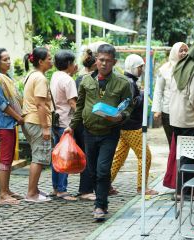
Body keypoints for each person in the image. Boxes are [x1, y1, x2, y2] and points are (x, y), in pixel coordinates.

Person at [65, 44, 133, 220]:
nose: (104, 64)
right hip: (88, 131)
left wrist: (121, 117)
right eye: (101, 60)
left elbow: (128, 106)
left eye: (108, 61)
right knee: (92, 170)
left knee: (103, 169)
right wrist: (71, 126)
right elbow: (79, 107)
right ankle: (100, 199)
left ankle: (100, 205)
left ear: (114, 62)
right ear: (96, 60)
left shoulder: (123, 83)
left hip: (109, 133)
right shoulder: (86, 81)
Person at [110, 54, 158, 196]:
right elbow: (130, 104)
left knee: (118, 158)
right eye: (140, 67)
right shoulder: (130, 82)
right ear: (132, 67)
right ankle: (142, 188)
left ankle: (105, 185)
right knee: (145, 157)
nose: (142, 69)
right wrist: (142, 94)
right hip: (133, 127)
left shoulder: (126, 80)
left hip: (124, 126)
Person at [166, 42, 194, 198]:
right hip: (189, 117)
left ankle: (182, 188)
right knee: (189, 155)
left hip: (175, 117)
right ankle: (184, 190)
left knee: (182, 153)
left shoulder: (180, 65)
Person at [0, 48, 24, 205]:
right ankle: (2, 195)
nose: (8, 62)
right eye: (5, 60)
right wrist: (19, 117)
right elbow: (2, 105)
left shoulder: (6, 78)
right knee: (6, 159)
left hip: (10, 123)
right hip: (4, 123)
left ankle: (6, 190)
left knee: (8, 159)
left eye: (9, 59)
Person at [22, 47, 53, 203]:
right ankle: (31, 194)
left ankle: (34, 189)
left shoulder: (31, 75)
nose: (51, 61)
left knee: (38, 156)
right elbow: (40, 104)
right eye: (49, 58)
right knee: (39, 158)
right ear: (40, 61)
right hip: (37, 121)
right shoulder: (40, 78)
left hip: (30, 120)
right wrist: (46, 127)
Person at [49, 50, 78, 201]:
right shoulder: (68, 80)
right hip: (66, 123)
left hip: (55, 121)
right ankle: (62, 190)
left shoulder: (55, 76)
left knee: (56, 155)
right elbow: (73, 103)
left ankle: (56, 188)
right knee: (65, 156)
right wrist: (81, 117)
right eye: (73, 63)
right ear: (68, 64)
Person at [152, 42, 188, 147]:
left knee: (183, 143)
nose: (184, 53)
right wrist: (157, 110)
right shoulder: (164, 69)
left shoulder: (189, 68)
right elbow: (158, 90)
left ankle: (181, 163)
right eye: (181, 51)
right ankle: (173, 163)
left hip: (185, 111)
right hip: (168, 111)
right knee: (172, 142)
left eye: (186, 50)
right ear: (174, 52)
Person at [74, 49, 97, 201]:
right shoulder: (88, 79)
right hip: (84, 122)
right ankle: (85, 190)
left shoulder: (78, 78)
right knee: (88, 156)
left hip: (80, 121)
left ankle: (88, 188)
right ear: (95, 64)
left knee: (88, 155)